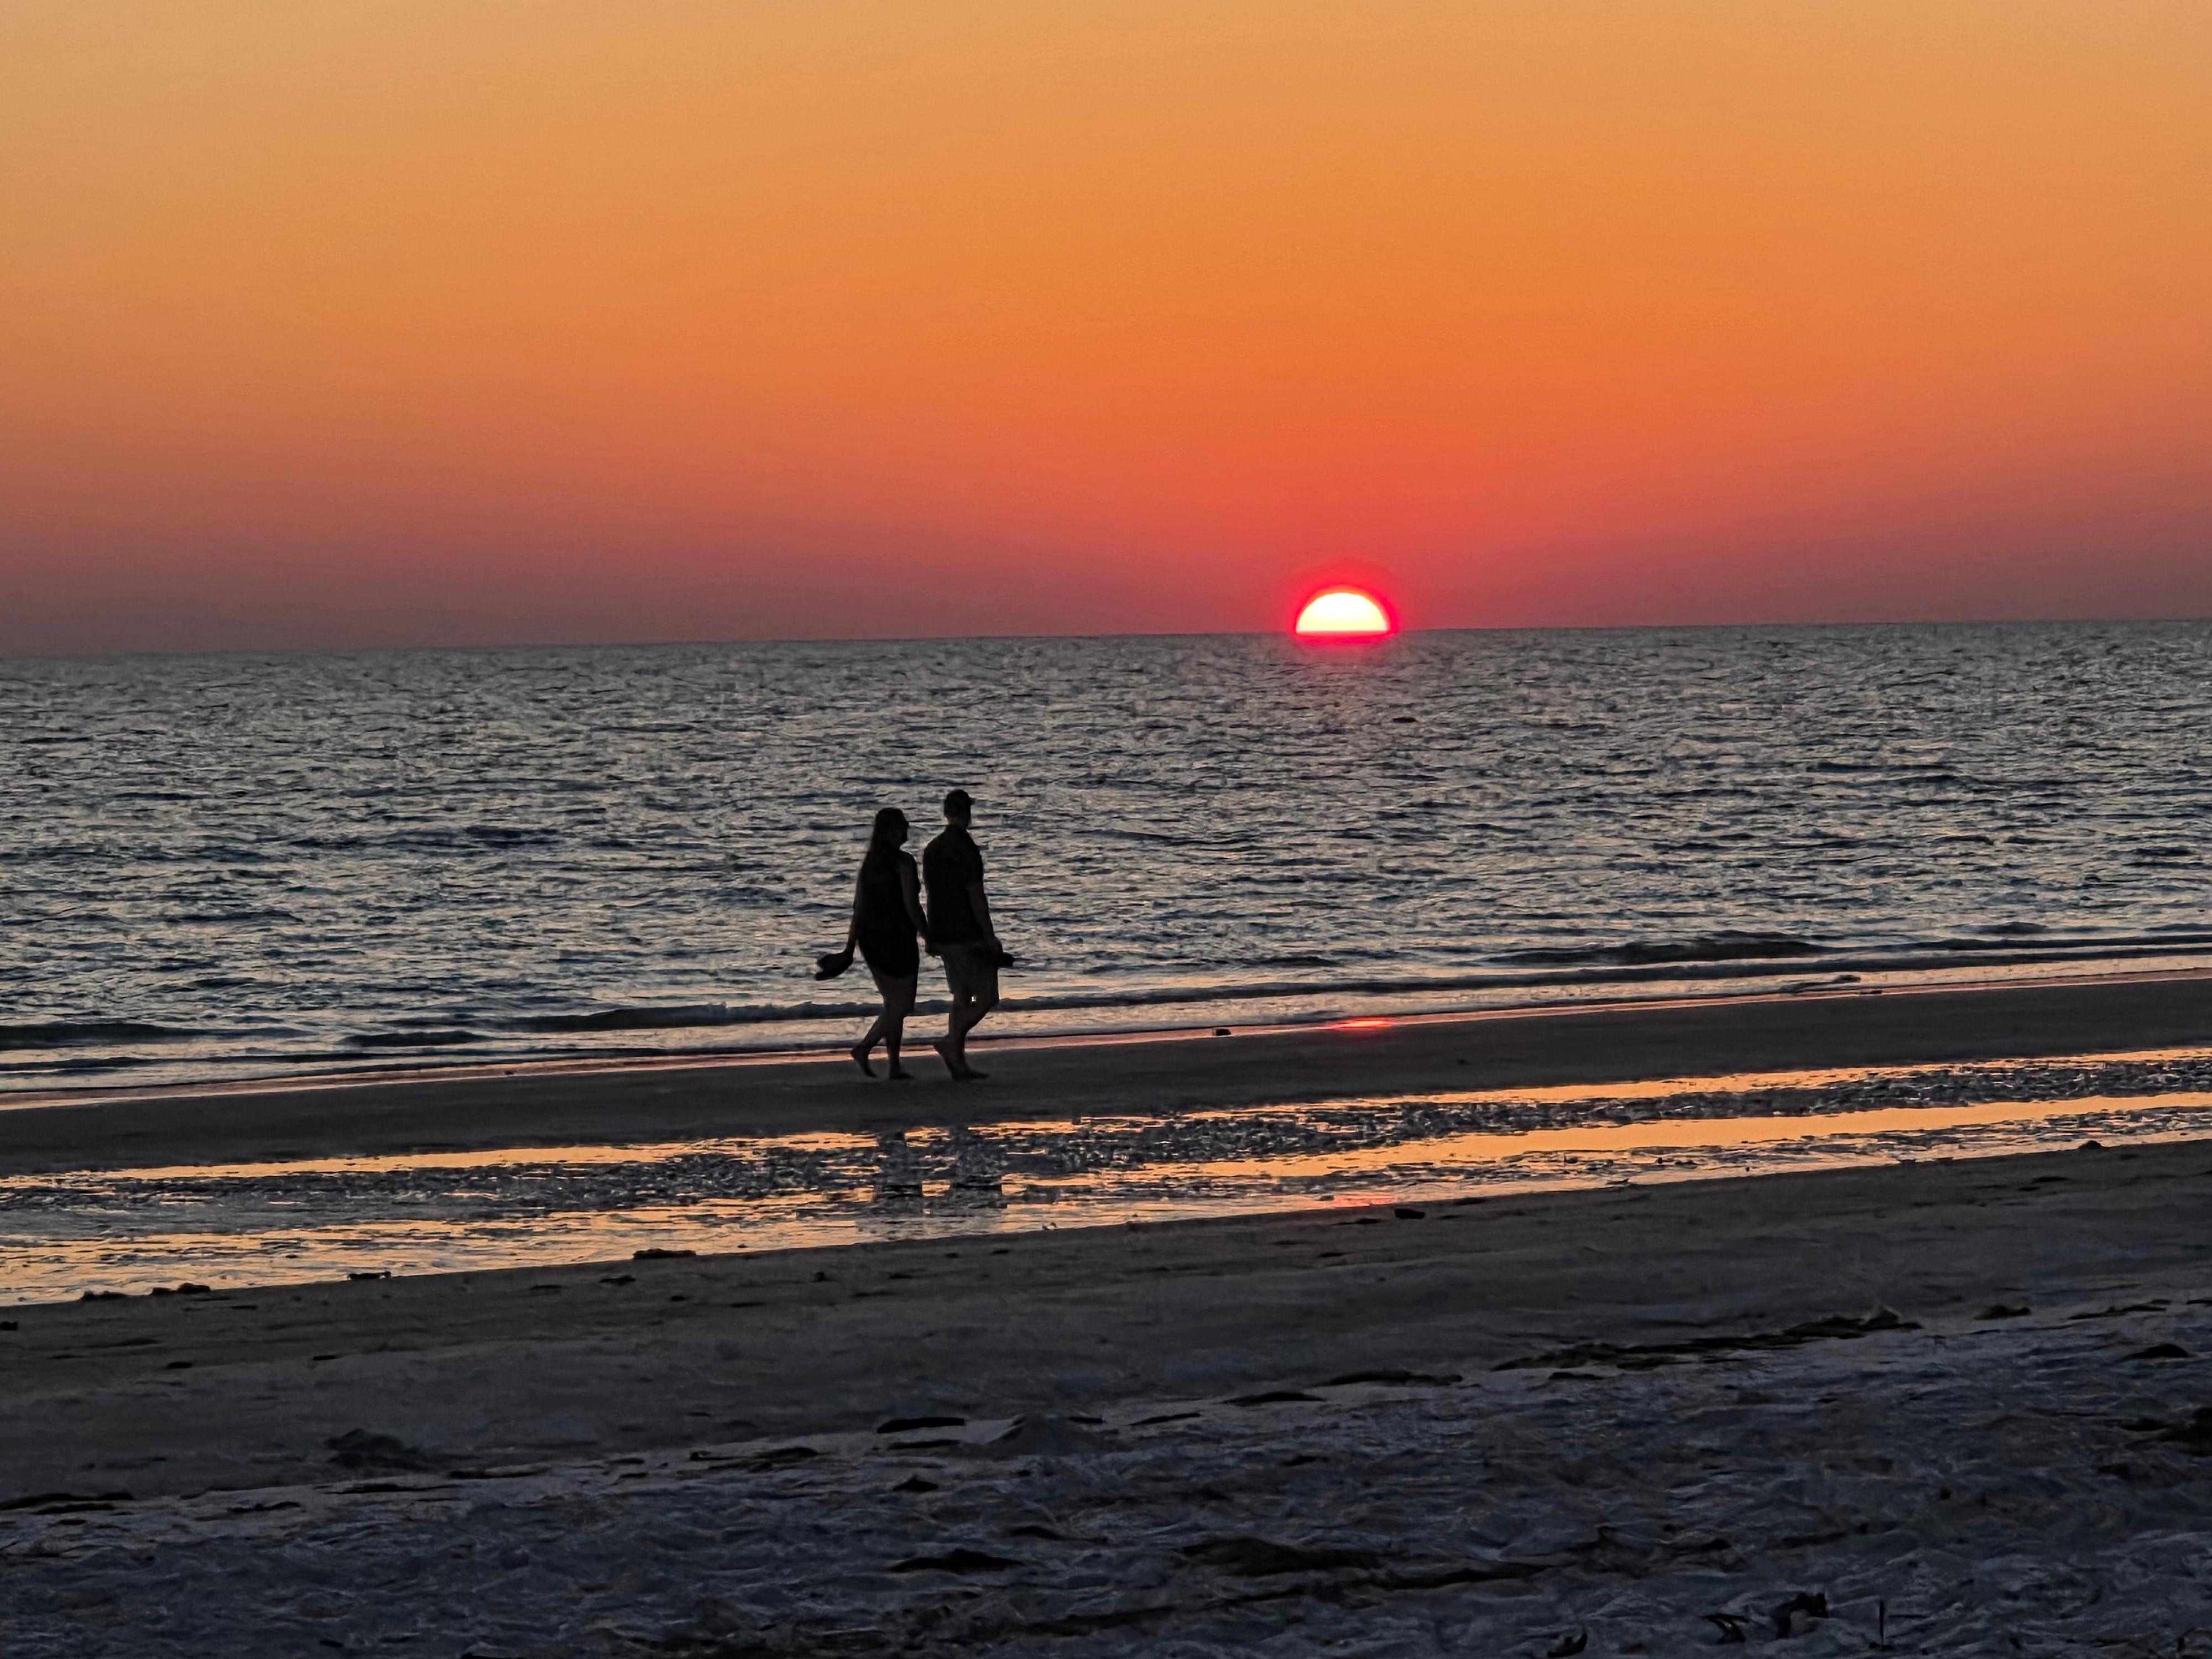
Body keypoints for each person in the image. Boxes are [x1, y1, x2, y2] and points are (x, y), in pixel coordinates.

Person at [842, 807, 928, 1079]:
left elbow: (860, 908)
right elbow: (912, 905)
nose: (907, 830)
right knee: (902, 1006)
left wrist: (850, 947)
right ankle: (865, 1047)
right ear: (892, 830)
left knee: (893, 1004)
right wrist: (928, 935)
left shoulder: (869, 864)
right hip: (897, 940)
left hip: (871, 940)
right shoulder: (903, 862)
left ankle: (894, 1065)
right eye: (904, 826)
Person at [922, 788, 999, 1081]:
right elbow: (976, 896)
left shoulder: (932, 848)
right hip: (967, 931)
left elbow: (930, 894)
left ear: (946, 812)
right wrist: (989, 935)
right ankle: (951, 1043)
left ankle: (958, 1061)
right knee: (988, 995)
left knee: (962, 995)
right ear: (967, 813)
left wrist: (930, 932)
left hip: (942, 928)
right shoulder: (967, 849)